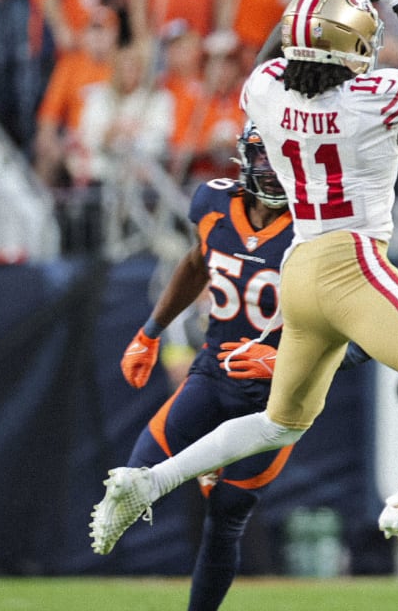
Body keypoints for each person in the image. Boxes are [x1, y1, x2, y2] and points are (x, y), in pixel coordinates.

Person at [90, 0, 398, 552]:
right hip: (351, 260)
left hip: (300, 266)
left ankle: (147, 481)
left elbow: (270, 61)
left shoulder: (267, 93)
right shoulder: (372, 100)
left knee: (279, 423)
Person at [114, 122, 295, 610]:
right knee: (131, 481)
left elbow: (351, 334)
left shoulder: (318, 230)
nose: (275, 171)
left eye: (286, 158)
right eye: (266, 157)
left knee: (227, 516)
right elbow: (197, 263)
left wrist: (286, 358)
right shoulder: (213, 204)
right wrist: (150, 331)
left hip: (276, 402)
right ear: (244, 159)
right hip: (213, 375)